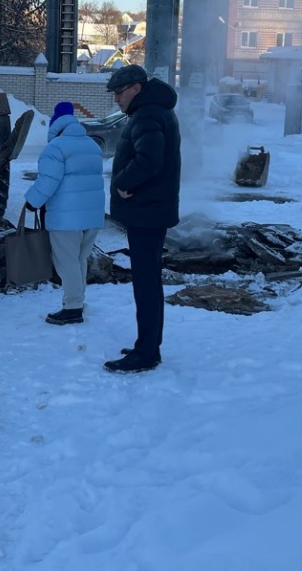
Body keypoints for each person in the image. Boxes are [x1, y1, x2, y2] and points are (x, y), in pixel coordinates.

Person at [103, 64, 181, 374]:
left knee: (146, 285)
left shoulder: (148, 114)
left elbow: (149, 160)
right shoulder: (153, 111)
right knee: (147, 283)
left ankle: (147, 352)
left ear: (136, 88)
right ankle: (146, 345)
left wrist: (124, 182)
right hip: (150, 211)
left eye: (119, 93)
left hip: (147, 213)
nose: (117, 100)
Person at [24, 101, 105, 325]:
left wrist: (32, 201)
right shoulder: (91, 145)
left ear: (54, 126)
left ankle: (72, 308)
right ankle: (78, 300)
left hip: (66, 218)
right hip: (92, 216)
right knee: (80, 259)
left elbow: (48, 181)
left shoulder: (56, 148)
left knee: (66, 261)